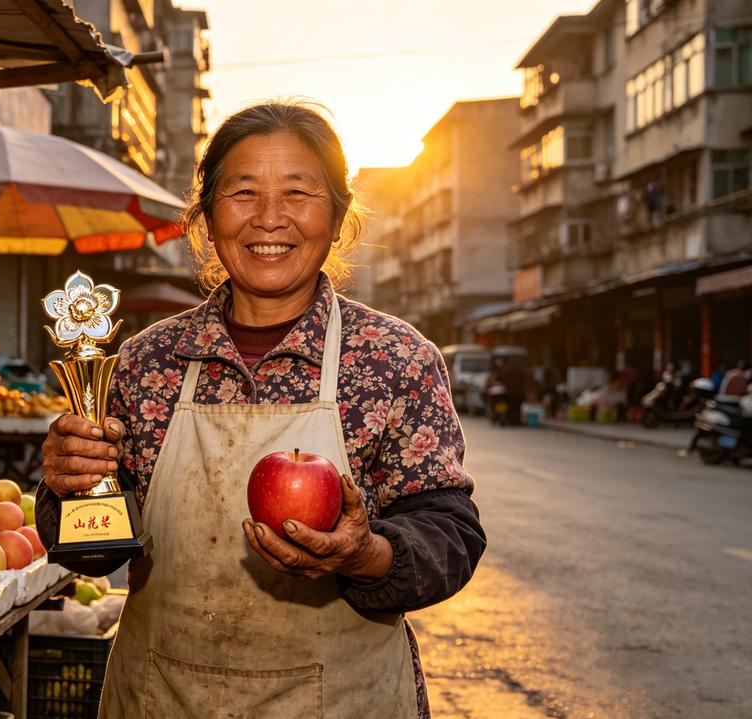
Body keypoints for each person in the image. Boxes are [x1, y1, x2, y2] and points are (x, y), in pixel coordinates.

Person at [38, 102, 485, 718]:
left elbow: (450, 535)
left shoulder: (395, 359)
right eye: (242, 192)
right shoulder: (145, 361)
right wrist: (69, 485)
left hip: (343, 701)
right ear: (205, 217)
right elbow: (96, 553)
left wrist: (365, 554)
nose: (269, 218)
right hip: (164, 696)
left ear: (339, 217)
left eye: (298, 192)